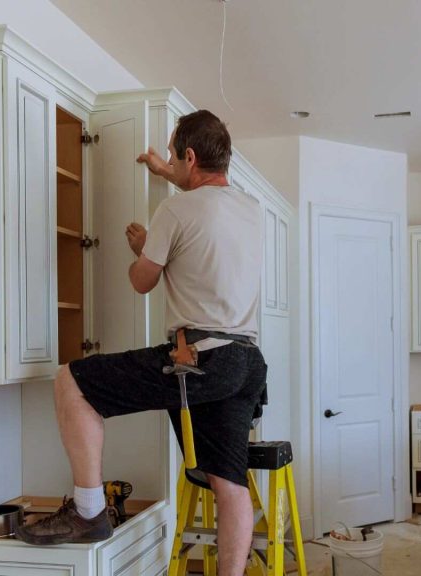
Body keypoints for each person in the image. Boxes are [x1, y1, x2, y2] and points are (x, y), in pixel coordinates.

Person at [18, 110, 266, 576]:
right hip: (246, 360)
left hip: (201, 357)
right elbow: (202, 207)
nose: (170, 162)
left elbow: (141, 282)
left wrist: (143, 250)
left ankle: (89, 511)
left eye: (175, 156)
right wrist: (167, 173)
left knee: (72, 380)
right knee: (229, 481)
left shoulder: (174, 210)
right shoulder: (249, 208)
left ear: (189, 156)